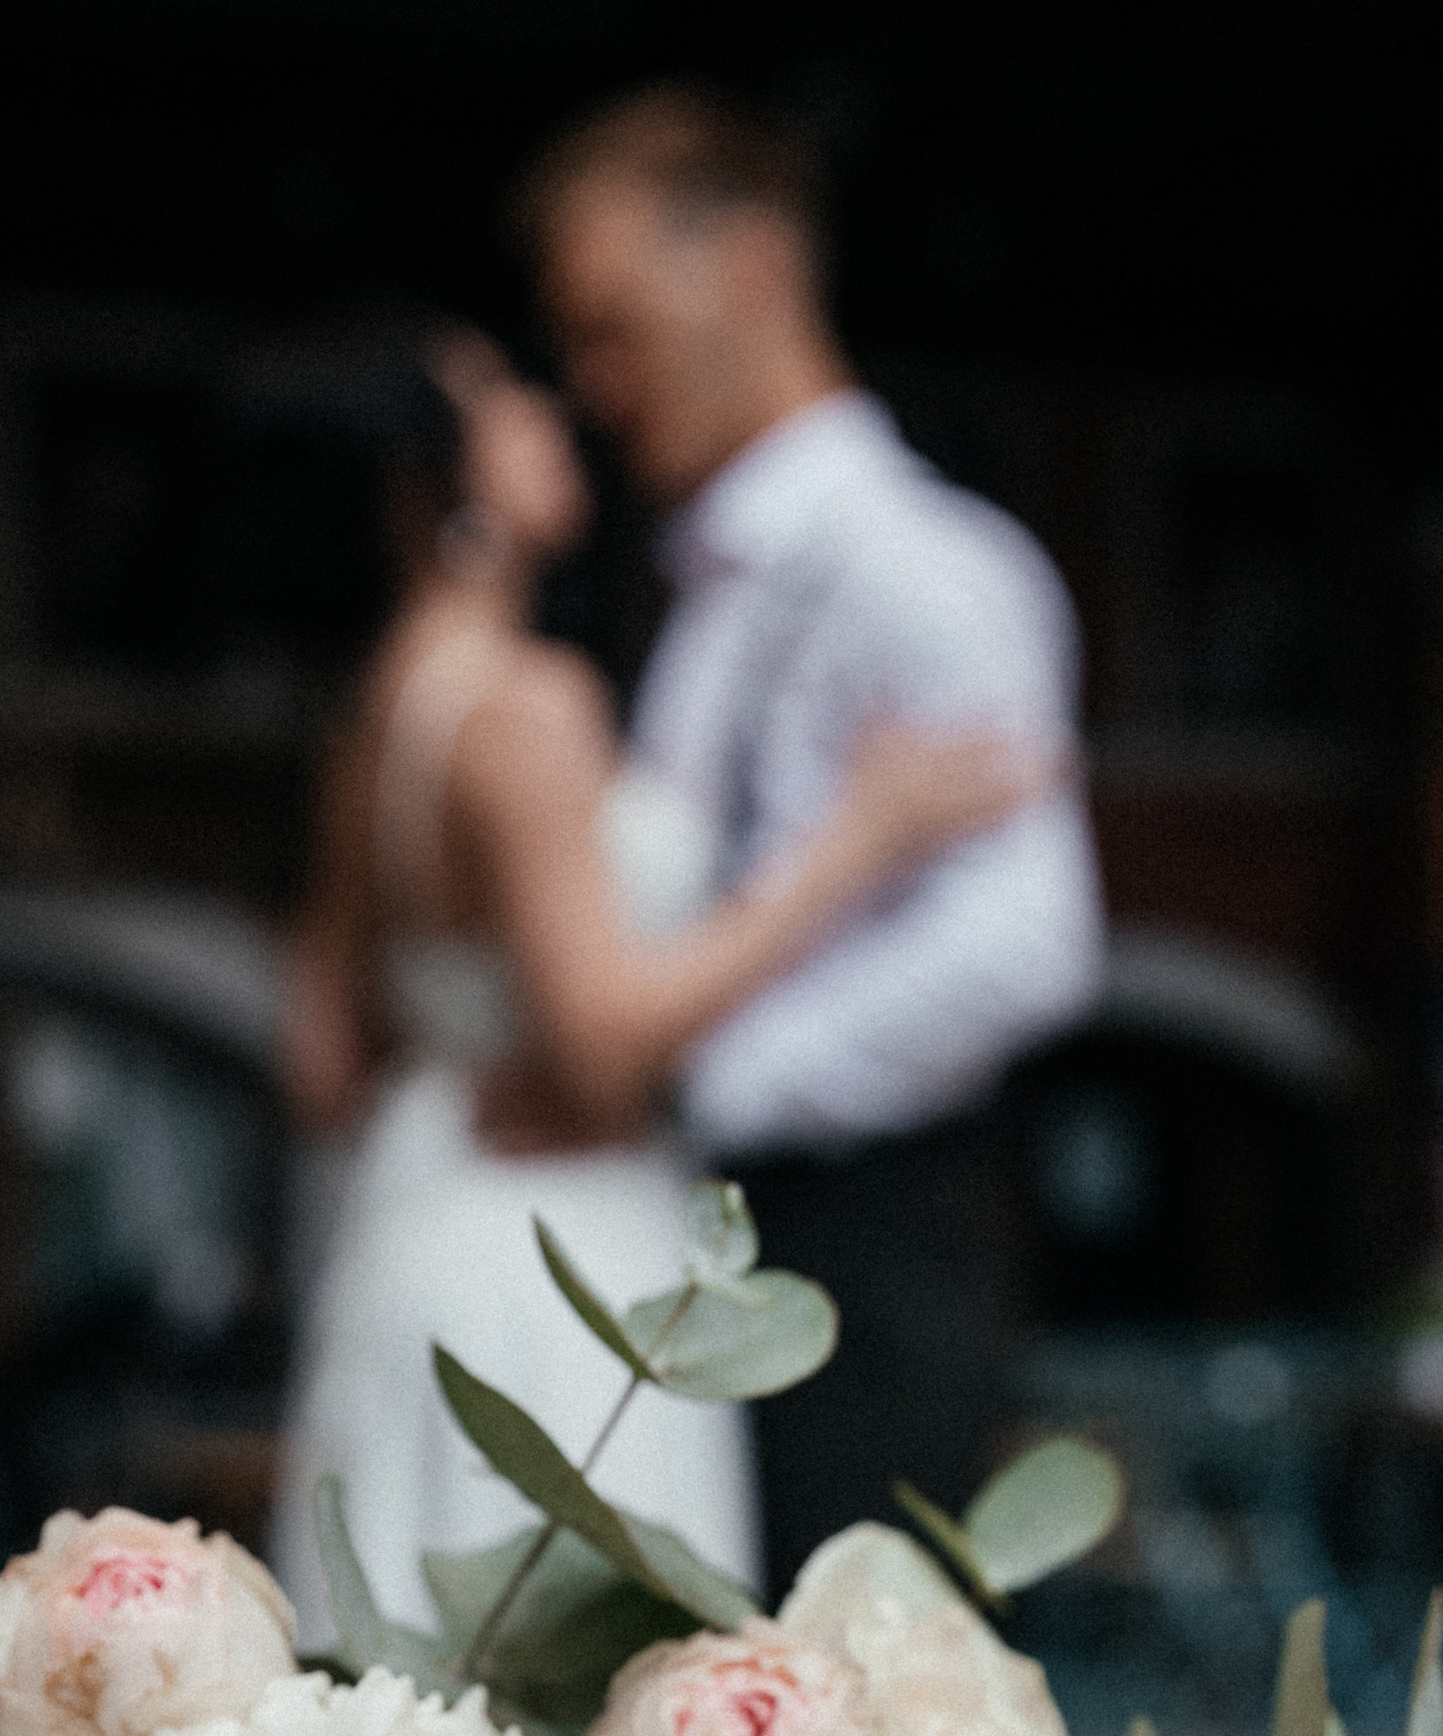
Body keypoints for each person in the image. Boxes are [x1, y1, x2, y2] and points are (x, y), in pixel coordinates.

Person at [272, 325, 1037, 1641]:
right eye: (500, 401)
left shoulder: (378, 714)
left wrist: (468, 1053)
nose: (548, 414)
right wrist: (855, 840)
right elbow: (604, 1049)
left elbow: (325, 1064)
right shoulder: (528, 705)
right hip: (560, 1254)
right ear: (430, 483)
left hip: (421, 1218)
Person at [524, 90, 1108, 1597]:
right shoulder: (712, 590)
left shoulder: (927, 566)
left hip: (859, 1254)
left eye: (614, 326)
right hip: (705, 1243)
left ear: (758, 270)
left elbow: (1026, 946)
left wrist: (705, 1086)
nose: (592, 383)